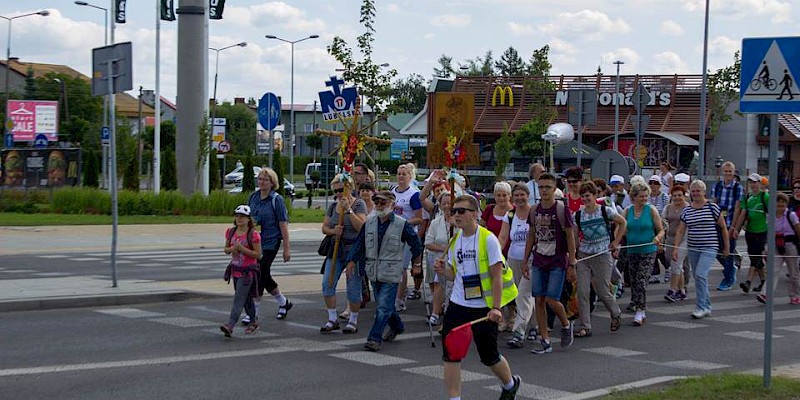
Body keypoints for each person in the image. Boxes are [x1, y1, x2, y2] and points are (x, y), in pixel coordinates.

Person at [434, 194, 521, 400]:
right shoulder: (455, 240)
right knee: (451, 353)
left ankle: (510, 384)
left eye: (461, 211)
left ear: (474, 214)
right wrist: (442, 270)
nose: (456, 215)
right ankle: (454, 399)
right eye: (454, 211)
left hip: (484, 306)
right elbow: (455, 275)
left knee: (488, 356)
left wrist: (497, 308)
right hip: (458, 304)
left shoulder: (487, 238)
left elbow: (496, 275)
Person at [346, 191, 424, 352]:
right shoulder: (370, 222)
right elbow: (360, 243)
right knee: (386, 306)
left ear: (393, 205)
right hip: (373, 271)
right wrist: (352, 260)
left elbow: (416, 244)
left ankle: (374, 338)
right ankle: (397, 326)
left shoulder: (402, 224)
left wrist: (417, 264)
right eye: (377, 203)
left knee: (382, 307)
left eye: (383, 203)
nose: (380, 206)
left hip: (391, 272)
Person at [524, 173, 577, 354]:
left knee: (551, 299)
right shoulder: (534, 210)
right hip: (539, 258)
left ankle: (565, 323)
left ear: (554, 189)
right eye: (541, 187)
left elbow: (570, 235)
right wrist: (525, 260)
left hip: (557, 259)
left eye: (548, 187)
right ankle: (545, 339)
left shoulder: (561, 210)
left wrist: (572, 262)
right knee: (538, 299)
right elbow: (531, 234)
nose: (544, 190)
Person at [573, 181, 626, 338]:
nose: (585, 199)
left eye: (587, 196)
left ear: (595, 196)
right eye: (582, 197)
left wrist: (616, 242)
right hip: (584, 254)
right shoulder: (577, 215)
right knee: (582, 291)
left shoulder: (606, 211)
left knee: (603, 290)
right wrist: (573, 253)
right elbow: (574, 236)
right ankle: (585, 326)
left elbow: (623, 223)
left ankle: (615, 313)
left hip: (602, 254)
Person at [673, 180, 729, 319]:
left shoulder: (712, 207)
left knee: (700, 274)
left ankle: (701, 306)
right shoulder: (687, 210)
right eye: (693, 191)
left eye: (698, 191)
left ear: (704, 192)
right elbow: (680, 231)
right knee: (698, 277)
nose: (696, 193)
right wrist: (676, 248)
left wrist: (726, 247)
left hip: (709, 246)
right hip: (693, 247)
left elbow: (723, 228)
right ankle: (707, 305)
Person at [320, 174, 368, 334]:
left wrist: (348, 210)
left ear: (349, 188)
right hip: (336, 248)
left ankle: (353, 319)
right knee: (328, 282)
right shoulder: (333, 207)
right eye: (336, 191)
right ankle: (332, 318)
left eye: (341, 190)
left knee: (353, 286)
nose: (339, 194)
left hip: (353, 249)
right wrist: (334, 231)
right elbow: (325, 227)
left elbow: (361, 227)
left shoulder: (359, 204)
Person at [247, 167, 293, 323]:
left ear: (272, 183)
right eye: (259, 179)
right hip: (254, 242)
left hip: (270, 242)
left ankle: (254, 312)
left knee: (260, 273)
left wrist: (286, 248)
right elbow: (248, 220)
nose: (261, 182)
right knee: (263, 275)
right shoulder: (253, 197)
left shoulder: (276, 199)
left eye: (265, 179)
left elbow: (283, 224)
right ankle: (283, 302)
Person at [621, 182, 665, 326]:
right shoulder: (627, 211)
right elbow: (621, 228)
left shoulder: (651, 210)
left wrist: (658, 238)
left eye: (646, 196)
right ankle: (636, 301)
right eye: (641, 196)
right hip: (632, 250)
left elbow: (661, 229)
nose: (644, 199)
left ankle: (641, 310)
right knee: (633, 280)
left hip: (648, 250)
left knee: (641, 280)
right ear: (633, 197)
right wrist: (616, 242)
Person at [498, 183, 535, 348]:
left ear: (528, 196)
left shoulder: (534, 213)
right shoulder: (510, 215)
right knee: (520, 295)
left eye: (522, 195)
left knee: (524, 294)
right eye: (517, 195)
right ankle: (533, 326)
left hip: (533, 260)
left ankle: (519, 331)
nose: (519, 198)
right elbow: (503, 236)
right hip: (513, 258)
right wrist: (497, 254)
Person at [220, 205, 263, 337]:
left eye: (242, 216)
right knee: (246, 298)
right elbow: (226, 249)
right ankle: (253, 321)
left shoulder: (253, 235)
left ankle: (230, 325)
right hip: (235, 270)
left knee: (239, 298)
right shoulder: (231, 232)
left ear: (248, 219)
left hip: (247, 272)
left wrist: (242, 249)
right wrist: (233, 249)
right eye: (237, 216)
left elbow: (258, 254)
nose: (239, 218)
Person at [756, 193, 800, 305]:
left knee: (793, 272)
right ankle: (765, 294)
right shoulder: (770, 217)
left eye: (783, 202)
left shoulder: (791, 215)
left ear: (786, 204)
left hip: (790, 245)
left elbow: (798, 229)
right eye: (778, 202)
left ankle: (794, 295)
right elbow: (768, 233)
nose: (780, 205)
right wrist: (766, 248)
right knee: (773, 270)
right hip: (776, 245)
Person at [392, 163, 424, 309]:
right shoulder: (393, 191)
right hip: (392, 235)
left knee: (401, 267)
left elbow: (419, 218)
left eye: (404, 174)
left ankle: (400, 299)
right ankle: (392, 295)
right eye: (399, 173)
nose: (401, 177)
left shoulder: (413, 195)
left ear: (410, 177)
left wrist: (403, 223)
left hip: (407, 235)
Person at [732, 173, 769, 293]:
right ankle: (764, 280)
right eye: (751, 182)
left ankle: (748, 281)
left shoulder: (765, 196)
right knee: (754, 255)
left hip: (762, 231)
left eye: (755, 182)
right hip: (750, 231)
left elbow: (772, 214)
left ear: (760, 183)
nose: (753, 185)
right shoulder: (748, 197)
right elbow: (743, 214)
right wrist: (736, 229)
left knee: (756, 255)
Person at [711, 161, 744, 291]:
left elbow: (737, 208)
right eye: (726, 171)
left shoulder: (738, 188)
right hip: (718, 223)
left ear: (733, 172)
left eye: (730, 171)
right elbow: (714, 204)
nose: (728, 174)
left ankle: (728, 279)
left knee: (728, 251)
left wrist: (734, 227)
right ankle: (731, 269)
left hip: (730, 223)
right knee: (717, 251)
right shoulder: (717, 186)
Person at [424, 191, 454, 327]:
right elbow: (428, 243)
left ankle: (450, 314)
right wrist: (444, 248)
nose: (447, 206)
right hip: (441, 259)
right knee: (439, 285)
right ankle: (435, 313)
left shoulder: (460, 221)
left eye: (450, 203)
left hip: (456, 261)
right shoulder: (436, 222)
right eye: (444, 203)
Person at [663, 185, 690, 302]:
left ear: (684, 196)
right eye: (674, 196)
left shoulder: (688, 208)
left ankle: (672, 290)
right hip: (670, 239)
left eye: (679, 195)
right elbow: (662, 220)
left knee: (676, 263)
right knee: (676, 265)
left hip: (684, 239)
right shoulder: (668, 207)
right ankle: (682, 291)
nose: (677, 198)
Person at [481, 182, 514, 260]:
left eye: (504, 195)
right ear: (494, 196)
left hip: (511, 255)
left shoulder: (515, 211)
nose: (501, 198)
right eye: (498, 195)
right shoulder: (489, 209)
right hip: (491, 253)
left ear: (510, 196)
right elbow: (479, 227)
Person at [647, 175, 671, 284]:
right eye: (651, 183)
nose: (653, 185)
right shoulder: (647, 196)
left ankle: (668, 268)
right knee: (652, 249)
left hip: (660, 224)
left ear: (660, 185)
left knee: (660, 249)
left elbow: (665, 210)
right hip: (649, 225)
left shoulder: (664, 196)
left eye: (655, 183)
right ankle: (655, 273)